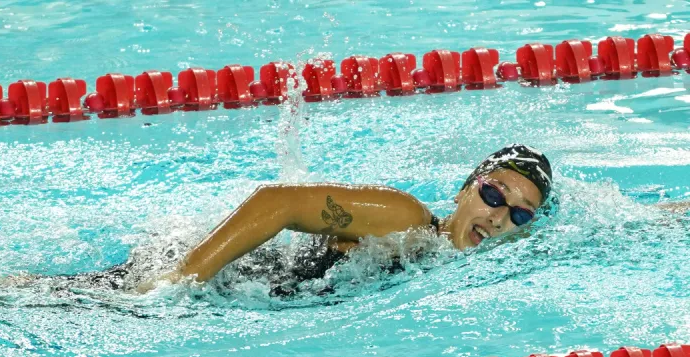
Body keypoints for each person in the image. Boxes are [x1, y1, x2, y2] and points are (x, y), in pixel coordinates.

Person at [136, 144, 555, 293]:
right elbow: (276, 202)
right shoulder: (407, 218)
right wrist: (181, 278)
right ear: (466, 189)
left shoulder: (449, 262)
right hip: (227, 277)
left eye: (520, 214)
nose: (500, 217)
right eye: (494, 195)